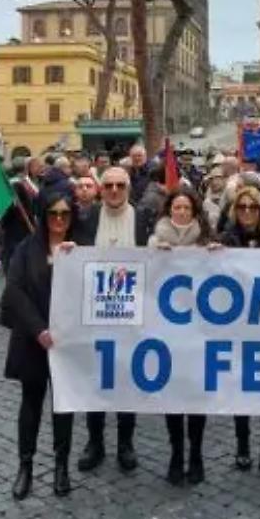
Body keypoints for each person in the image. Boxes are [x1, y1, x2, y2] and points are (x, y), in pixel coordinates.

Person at [1, 188, 80, 500]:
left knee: (64, 408)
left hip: (67, 343)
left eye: (65, 214)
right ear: (43, 216)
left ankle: (62, 466)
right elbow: (14, 292)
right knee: (30, 405)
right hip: (33, 340)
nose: (59, 219)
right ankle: (25, 467)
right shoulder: (26, 248)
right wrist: (39, 330)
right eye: (53, 214)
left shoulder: (78, 249)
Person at [76, 167, 150, 473]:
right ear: (100, 189)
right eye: (109, 185)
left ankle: (126, 443)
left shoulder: (144, 219)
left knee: (126, 382)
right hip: (94, 317)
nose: (115, 190)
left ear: (129, 188)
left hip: (132, 319)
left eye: (121, 185)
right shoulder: (86, 219)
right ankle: (95, 442)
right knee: (95, 383)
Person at [148, 187, 214, 486]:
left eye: (187, 208)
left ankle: (196, 454)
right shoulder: (155, 241)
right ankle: (177, 453)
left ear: (194, 211)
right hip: (167, 331)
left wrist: (217, 255)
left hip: (199, 330)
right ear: (169, 211)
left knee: (196, 396)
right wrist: (153, 257)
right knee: (173, 396)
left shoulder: (206, 240)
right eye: (177, 207)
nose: (182, 212)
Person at [219, 185, 260, 472]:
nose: (246, 213)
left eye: (252, 208)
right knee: (239, 388)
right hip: (236, 325)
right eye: (241, 207)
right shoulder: (226, 239)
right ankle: (242, 444)